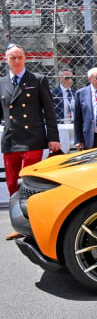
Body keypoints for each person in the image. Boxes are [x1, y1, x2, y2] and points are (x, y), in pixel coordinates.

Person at [1, 43, 60, 240]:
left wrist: (53, 138)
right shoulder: (2, 82)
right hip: (11, 141)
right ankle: (19, 225)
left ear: (25, 58)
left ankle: (33, 226)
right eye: (12, 58)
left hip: (32, 139)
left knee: (27, 184)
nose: (16, 61)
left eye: (20, 57)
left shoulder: (37, 79)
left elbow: (49, 111)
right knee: (12, 185)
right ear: (6, 60)